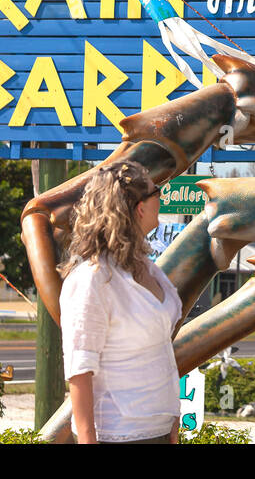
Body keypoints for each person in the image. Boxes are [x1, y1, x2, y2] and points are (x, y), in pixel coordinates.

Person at [60, 160, 182, 444]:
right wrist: (87, 440)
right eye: (157, 191)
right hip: (116, 435)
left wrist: (172, 423)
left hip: (159, 431)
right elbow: (79, 368)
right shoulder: (93, 279)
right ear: (139, 207)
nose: (161, 197)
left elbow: (160, 351)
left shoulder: (147, 268)